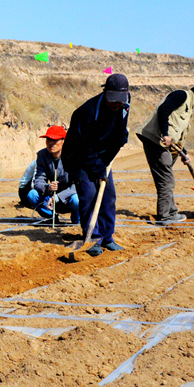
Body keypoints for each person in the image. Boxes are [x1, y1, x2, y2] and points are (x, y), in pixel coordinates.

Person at [62, 73, 131, 257]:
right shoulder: (87, 112)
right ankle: (93, 237)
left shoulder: (125, 103)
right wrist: (99, 168)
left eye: (119, 101)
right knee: (90, 195)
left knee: (108, 196)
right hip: (78, 156)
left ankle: (107, 238)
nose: (115, 105)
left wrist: (121, 136)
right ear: (105, 92)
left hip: (102, 154)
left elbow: (121, 122)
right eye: (112, 100)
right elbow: (84, 147)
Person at [136, 81, 194, 224]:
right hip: (156, 140)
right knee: (167, 179)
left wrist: (183, 153)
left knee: (167, 178)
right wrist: (165, 134)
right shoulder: (181, 95)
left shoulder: (188, 107)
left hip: (162, 142)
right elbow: (163, 110)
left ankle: (171, 212)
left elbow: (177, 132)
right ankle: (165, 216)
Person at [26, 125, 79, 223]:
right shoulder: (42, 155)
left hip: (69, 197)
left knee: (77, 199)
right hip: (50, 198)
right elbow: (38, 180)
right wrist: (48, 187)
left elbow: (77, 185)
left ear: (64, 141)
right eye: (48, 139)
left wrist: (58, 197)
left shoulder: (74, 156)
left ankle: (77, 219)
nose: (51, 143)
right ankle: (51, 217)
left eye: (55, 140)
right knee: (32, 195)